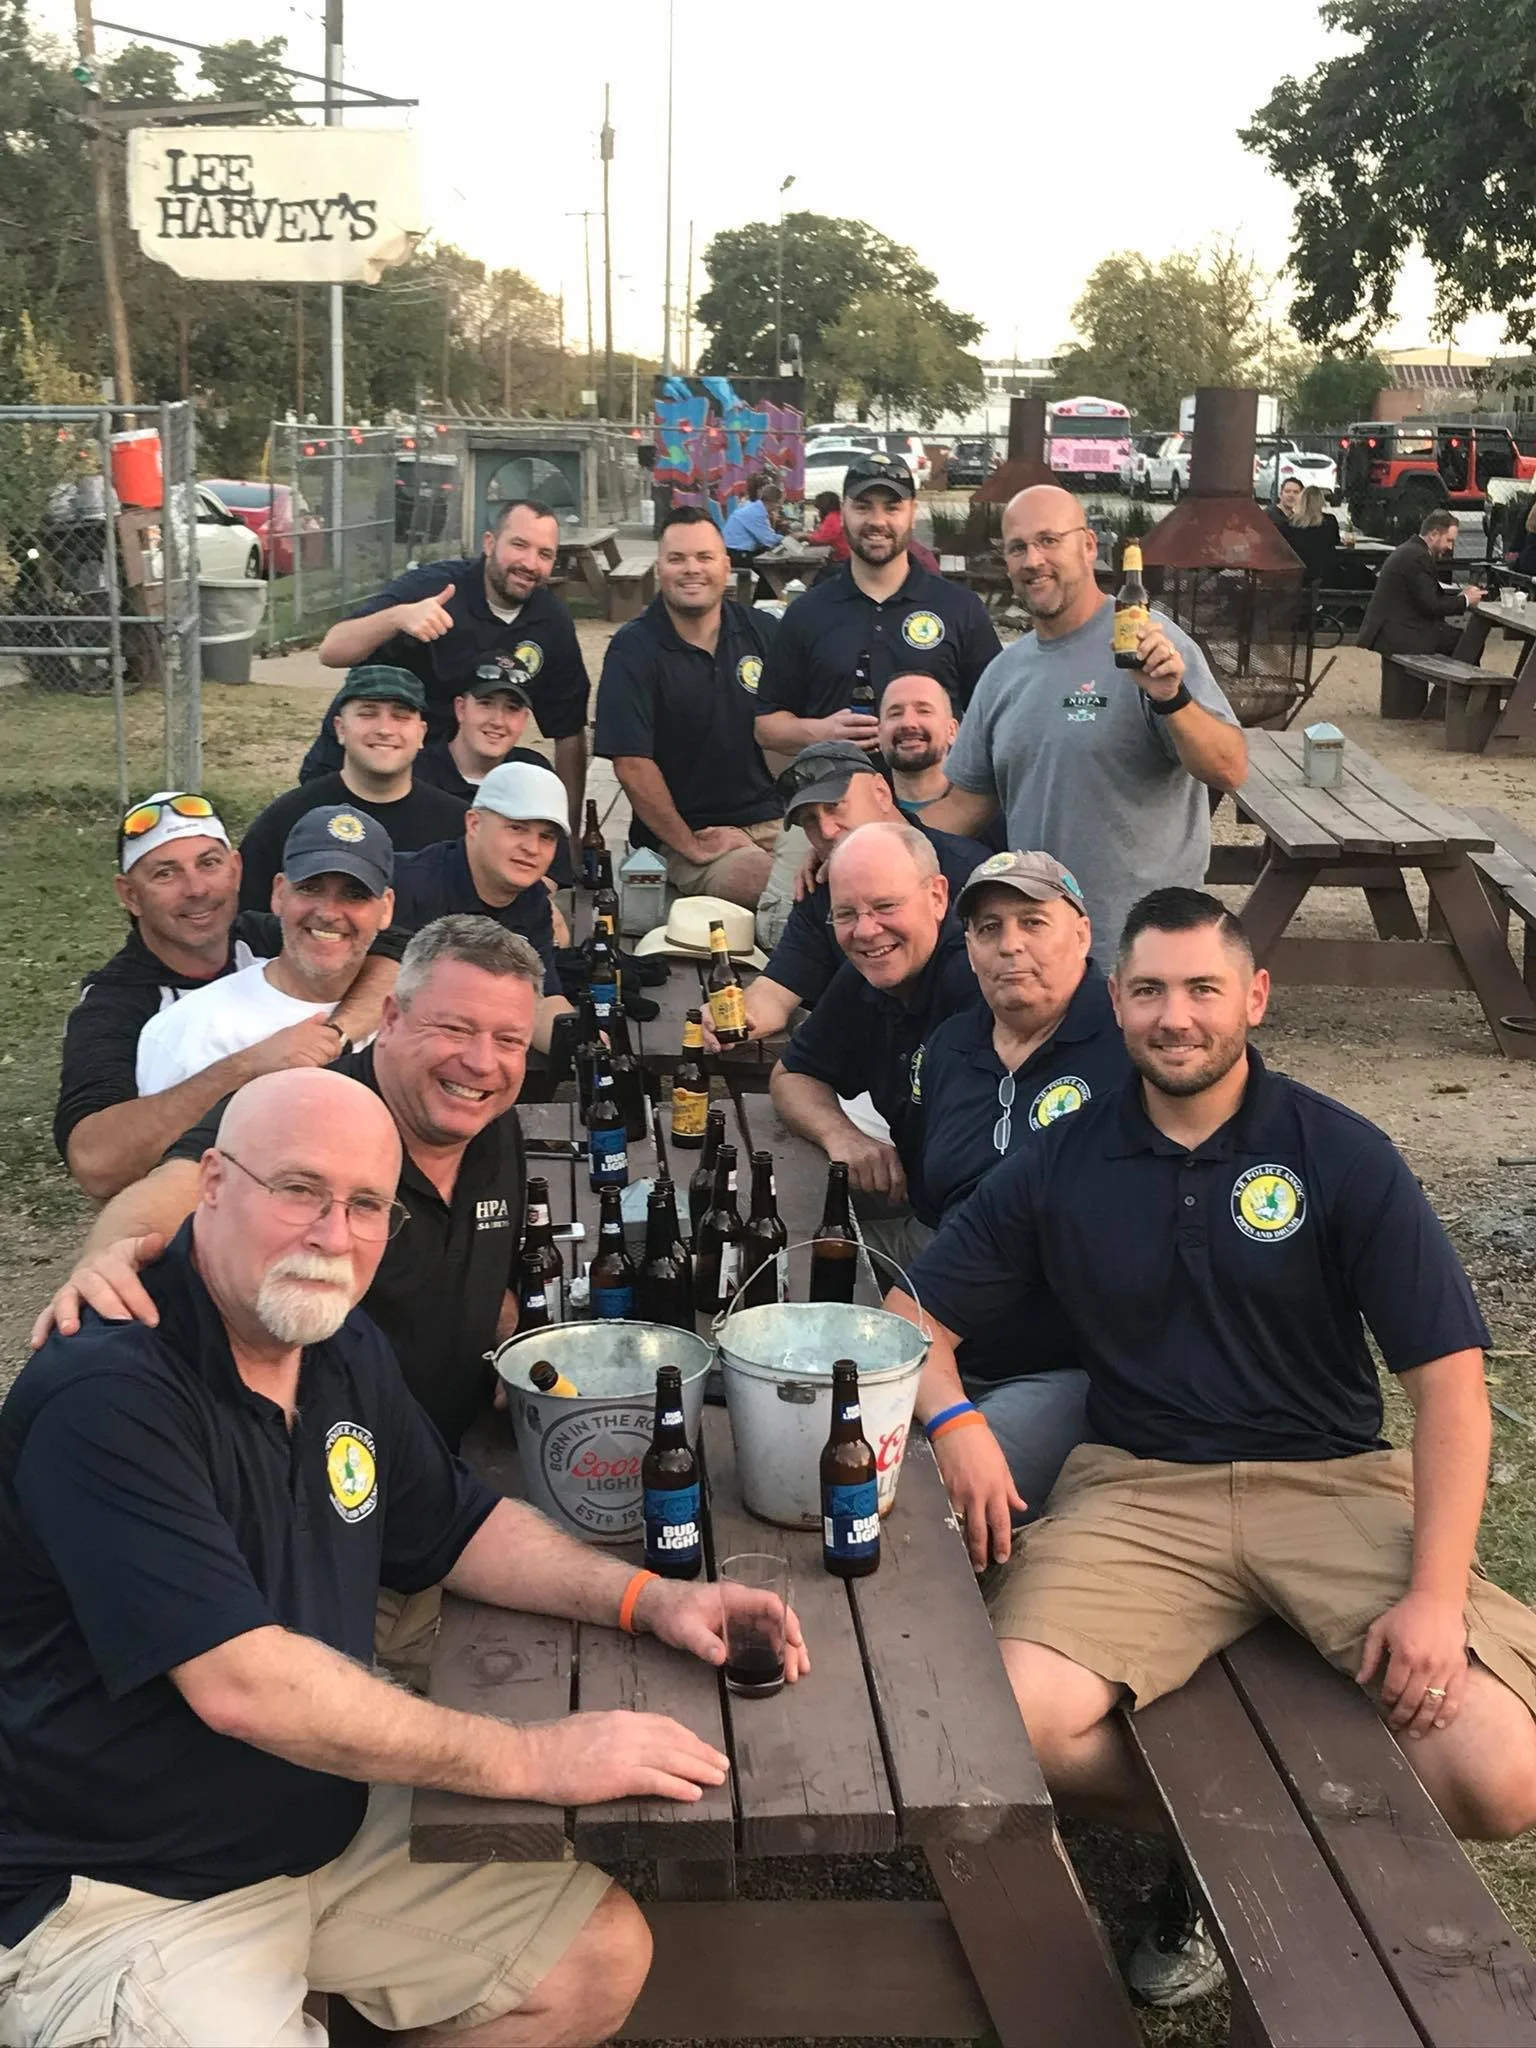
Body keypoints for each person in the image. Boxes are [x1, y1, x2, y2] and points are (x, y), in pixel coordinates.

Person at [2, 1063, 808, 2048]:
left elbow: (457, 1523)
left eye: (366, 1204)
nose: (332, 1235)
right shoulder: (109, 1392)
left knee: (591, 1960)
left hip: (317, 1818)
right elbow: (245, 1685)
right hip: (128, 1881)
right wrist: (533, 1755)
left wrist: (646, 1597)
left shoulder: (334, 1343)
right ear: (212, 1182)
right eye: (297, 1189)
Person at [889, 887, 1536, 2003]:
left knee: (1501, 1777)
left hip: (1331, 1481)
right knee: (1007, 1720)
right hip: (1139, 1488)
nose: (1174, 1015)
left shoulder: (1339, 1151)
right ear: (1116, 1001)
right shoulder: (1064, 1157)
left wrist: (1434, 1596)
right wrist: (955, 1424)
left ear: (1256, 997)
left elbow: (1451, 1388)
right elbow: (912, 1322)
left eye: (1201, 988)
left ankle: (1259, 1820)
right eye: (1148, 990)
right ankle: (1244, 1826)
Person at [42, 919, 553, 1457]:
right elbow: (175, 1189)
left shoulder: (491, 1124)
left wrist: (519, 1343)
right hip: (324, 1483)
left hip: (451, 1461)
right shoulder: (304, 1108)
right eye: (454, 1029)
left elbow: (464, 1275)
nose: (480, 1062)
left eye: (508, 1040)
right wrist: (108, 1261)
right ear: (393, 1018)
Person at [921, 484, 1247, 966]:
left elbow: (1230, 769)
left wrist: (1171, 698)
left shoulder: (1149, 642)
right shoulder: (1004, 673)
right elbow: (965, 806)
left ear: (1089, 546)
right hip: (1040, 953)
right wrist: (869, 843)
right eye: (1018, 548)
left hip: (1144, 951)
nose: (1033, 560)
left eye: (1049, 540)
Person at [906, 851, 1130, 1517]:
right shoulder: (949, 1049)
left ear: (1083, 932)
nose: (1011, 946)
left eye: (1034, 921)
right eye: (988, 928)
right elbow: (931, 1199)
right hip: (940, 1339)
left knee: (927, 1507)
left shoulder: (1130, 1047)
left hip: (1067, 1363)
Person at [54, 791, 399, 1201]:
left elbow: (392, 949)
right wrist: (248, 1066)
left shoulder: (267, 937)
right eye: (166, 874)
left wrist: (336, 1036)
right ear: (130, 895)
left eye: (208, 863)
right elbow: (96, 1162)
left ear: (236, 870)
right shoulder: (116, 1006)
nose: (196, 889)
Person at [303, 499, 591, 834]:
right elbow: (332, 650)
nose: (530, 563)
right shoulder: (434, 588)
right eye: (519, 545)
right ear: (489, 543)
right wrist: (399, 617)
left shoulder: (551, 622)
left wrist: (569, 834)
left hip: (450, 783)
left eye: (545, 554)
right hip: (362, 765)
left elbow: (569, 732)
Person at [770, 821, 978, 1229]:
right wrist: (842, 1136)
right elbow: (792, 1074)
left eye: (886, 907)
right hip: (922, 1207)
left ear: (937, 896)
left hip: (975, 1240)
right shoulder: (867, 973)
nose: (866, 931)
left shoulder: (977, 981)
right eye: (846, 913)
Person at [730, 741, 992, 1045]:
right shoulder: (820, 886)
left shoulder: (972, 873)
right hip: (865, 1070)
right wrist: (734, 1019)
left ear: (881, 791)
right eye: (810, 821)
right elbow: (778, 989)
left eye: (835, 807)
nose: (827, 830)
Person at [753, 453, 1002, 756]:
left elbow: (997, 716)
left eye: (892, 507)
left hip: (938, 800)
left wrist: (940, 736)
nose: (877, 521)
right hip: (837, 799)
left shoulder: (961, 608)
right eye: (862, 507)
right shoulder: (807, 613)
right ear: (843, 511)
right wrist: (821, 733)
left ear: (912, 512)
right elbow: (766, 726)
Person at [595, 507, 782, 908]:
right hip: (690, 835)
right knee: (767, 884)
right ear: (658, 567)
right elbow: (631, 764)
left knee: (852, 867)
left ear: (726, 564)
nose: (691, 569)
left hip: (776, 822)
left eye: (704, 557)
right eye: (677, 559)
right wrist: (691, 846)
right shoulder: (634, 648)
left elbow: (800, 724)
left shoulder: (764, 633)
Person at [137, 807, 396, 1096]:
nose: (328, 913)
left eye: (354, 895)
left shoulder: (415, 1020)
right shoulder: (188, 1030)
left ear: (386, 908)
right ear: (279, 893)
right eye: (310, 888)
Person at [238, 667, 469, 914]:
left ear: (421, 733)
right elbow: (249, 917)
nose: (384, 729)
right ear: (340, 729)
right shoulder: (288, 818)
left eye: (400, 717)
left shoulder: (457, 825)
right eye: (367, 714)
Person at [391, 762, 574, 1052]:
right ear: (474, 824)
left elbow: (540, 1001)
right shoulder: (407, 887)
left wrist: (585, 1046)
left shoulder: (533, 899)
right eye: (517, 828)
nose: (532, 848)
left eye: (546, 837)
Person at [1358, 508, 1486, 666]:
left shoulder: (1412, 550)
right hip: (1402, 633)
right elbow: (1431, 605)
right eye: (1449, 540)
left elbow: (1425, 597)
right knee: (1469, 641)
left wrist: (1461, 597)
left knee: (1462, 639)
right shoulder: (1417, 557)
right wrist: (1466, 600)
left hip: (1395, 628)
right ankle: (1461, 688)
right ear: (1433, 535)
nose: (1451, 547)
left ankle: (1453, 687)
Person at [1284, 483, 1342, 586]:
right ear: (1320, 502)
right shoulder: (1329, 521)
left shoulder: (1290, 523)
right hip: (1326, 575)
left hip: (1298, 575)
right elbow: (1336, 541)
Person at [720, 481, 784, 560]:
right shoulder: (756, 513)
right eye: (779, 504)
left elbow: (767, 534)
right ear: (774, 502)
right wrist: (788, 538)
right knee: (771, 565)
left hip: (733, 550)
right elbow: (768, 540)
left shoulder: (754, 507)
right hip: (736, 553)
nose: (780, 507)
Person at [806, 489, 848, 561]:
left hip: (841, 558)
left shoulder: (832, 518)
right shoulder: (838, 515)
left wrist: (804, 536)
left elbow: (823, 539)